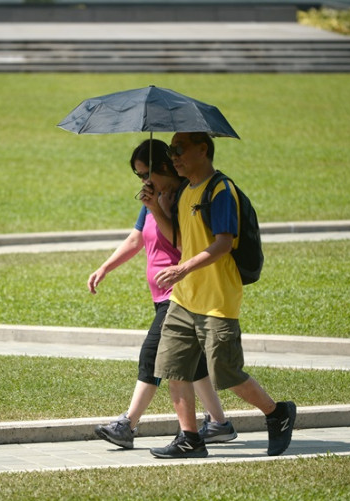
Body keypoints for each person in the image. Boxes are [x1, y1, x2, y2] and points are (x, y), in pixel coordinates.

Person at [149, 132, 296, 459]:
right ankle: (189, 438)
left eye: (179, 149)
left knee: (225, 374)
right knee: (173, 367)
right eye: (172, 150)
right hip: (184, 299)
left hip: (217, 299)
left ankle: (277, 413)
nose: (174, 156)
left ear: (203, 149)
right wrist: (155, 207)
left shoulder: (221, 191)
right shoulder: (186, 191)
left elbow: (223, 243)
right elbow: (180, 240)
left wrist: (182, 269)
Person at [88, 138, 236, 450]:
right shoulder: (152, 199)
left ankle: (127, 424)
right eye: (139, 176)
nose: (143, 181)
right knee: (191, 366)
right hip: (162, 295)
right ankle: (220, 424)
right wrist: (105, 267)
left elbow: (183, 245)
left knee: (152, 355)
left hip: (180, 291)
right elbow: (135, 239)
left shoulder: (185, 197)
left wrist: (159, 208)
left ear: (165, 167)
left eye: (146, 174)